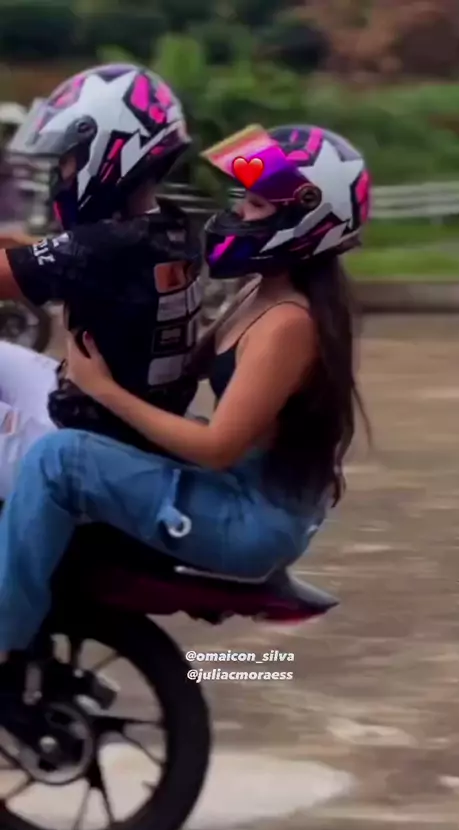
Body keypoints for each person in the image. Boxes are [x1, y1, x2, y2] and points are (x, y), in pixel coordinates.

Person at [0, 122, 371, 668]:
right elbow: (183, 361)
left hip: (250, 519)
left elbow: (217, 448)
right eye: (244, 197)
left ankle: (5, 633)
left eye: (257, 205)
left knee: (60, 459)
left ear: (305, 220)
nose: (238, 211)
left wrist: (104, 390)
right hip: (239, 483)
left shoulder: (289, 324)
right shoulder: (260, 291)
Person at [0, 62, 203, 497]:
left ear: (110, 151)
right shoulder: (171, 227)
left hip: (82, 446)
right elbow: (68, 255)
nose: (59, 176)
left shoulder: (103, 246)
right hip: (119, 423)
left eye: (67, 160)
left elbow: (19, 272)